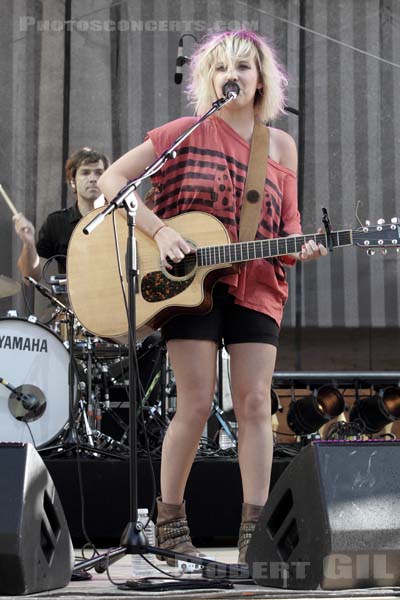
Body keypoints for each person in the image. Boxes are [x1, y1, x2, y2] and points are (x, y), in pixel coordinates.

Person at [98, 30, 328, 564]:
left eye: (245, 67)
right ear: (208, 79)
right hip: (187, 286)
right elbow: (112, 180)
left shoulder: (280, 146)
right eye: (223, 67)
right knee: (196, 404)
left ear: (262, 79)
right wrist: (160, 232)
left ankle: (257, 526)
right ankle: (169, 518)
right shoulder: (182, 133)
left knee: (253, 404)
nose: (234, 75)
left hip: (258, 285)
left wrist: (305, 248)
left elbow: (287, 231)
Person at [14, 147, 109, 281]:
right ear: (72, 182)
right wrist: (28, 243)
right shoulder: (56, 222)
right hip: (70, 301)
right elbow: (31, 275)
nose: (93, 179)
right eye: (85, 173)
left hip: (114, 299)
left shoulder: (120, 218)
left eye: (99, 173)